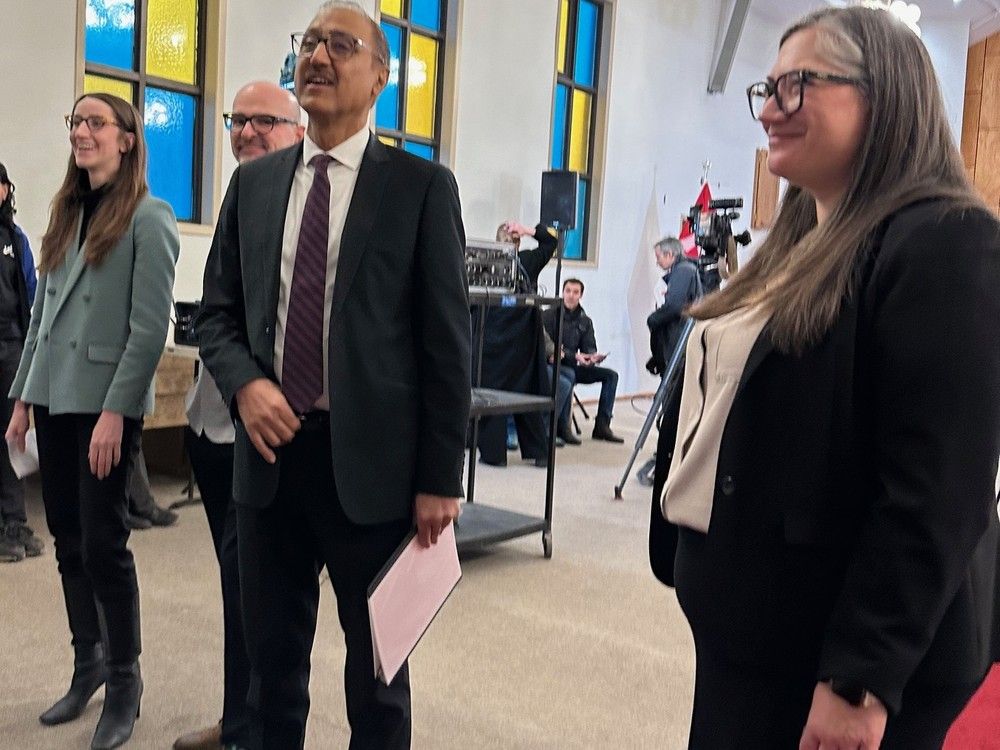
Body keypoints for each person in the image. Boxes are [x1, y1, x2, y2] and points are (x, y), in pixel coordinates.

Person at [648, 7, 1000, 749]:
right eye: (768, 88)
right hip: (752, 638)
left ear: (885, 96)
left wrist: (859, 681)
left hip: (832, 656)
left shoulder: (944, 241)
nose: (770, 109)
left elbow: (936, 490)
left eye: (798, 85)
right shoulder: (804, 237)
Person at [197, 3, 471, 748]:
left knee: (379, 680)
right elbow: (214, 316)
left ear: (380, 74)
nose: (318, 56)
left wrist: (441, 477)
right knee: (270, 673)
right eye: (310, 42)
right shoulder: (253, 188)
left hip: (377, 473)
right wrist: (246, 385)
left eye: (340, 45)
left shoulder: (419, 188)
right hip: (271, 463)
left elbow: (447, 344)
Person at [5, 92, 179, 749]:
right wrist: (22, 400)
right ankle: (90, 664)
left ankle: (126, 683)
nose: (82, 132)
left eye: (95, 123)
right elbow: (43, 321)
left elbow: (147, 329)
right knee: (68, 540)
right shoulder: (64, 213)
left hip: (105, 403)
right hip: (53, 396)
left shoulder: (150, 217)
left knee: (105, 543)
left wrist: (117, 412)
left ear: (127, 139)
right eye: (75, 122)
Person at [173, 79, 304, 750]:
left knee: (265, 596)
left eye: (266, 121)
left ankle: (255, 726)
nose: (248, 131)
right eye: (238, 119)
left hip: (274, 432)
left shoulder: (315, 203)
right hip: (214, 422)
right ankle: (238, 722)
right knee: (237, 589)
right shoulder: (240, 195)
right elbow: (216, 311)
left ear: (299, 131)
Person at [474, 219, 559, 466]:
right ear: (518, 241)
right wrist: (529, 230)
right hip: (523, 338)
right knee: (527, 392)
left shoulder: (483, 263)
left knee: (490, 394)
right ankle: (539, 453)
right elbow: (551, 241)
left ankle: (493, 455)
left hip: (492, 338)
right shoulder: (527, 262)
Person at [0, 161, 44, 563]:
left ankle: (14, 521)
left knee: (10, 434)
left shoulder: (17, 238)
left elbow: (31, 294)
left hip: (11, 346)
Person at [543, 278, 624, 443]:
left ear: (581, 295)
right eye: (568, 291)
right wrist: (574, 355)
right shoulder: (549, 315)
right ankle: (562, 427)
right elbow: (549, 347)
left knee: (611, 376)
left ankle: (602, 425)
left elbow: (589, 346)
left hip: (575, 364)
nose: (571, 296)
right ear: (562, 292)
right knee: (569, 375)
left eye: (575, 292)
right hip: (554, 364)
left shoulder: (584, 320)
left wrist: (592, 357)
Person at [646, 236, 701, 375]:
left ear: (669, 254)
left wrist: (653, 319)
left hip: (676, 338)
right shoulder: (682, 270)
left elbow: (674, 306)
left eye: (658, 257)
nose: (657, 262)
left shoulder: (683, 271)